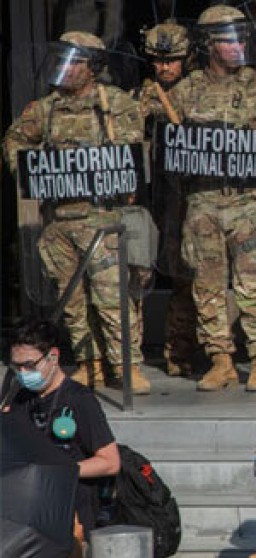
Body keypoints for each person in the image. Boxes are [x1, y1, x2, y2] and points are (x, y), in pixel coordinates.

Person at [3, 32, 149, 393]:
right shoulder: (46, 108)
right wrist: (31, 169)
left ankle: (126, 365)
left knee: (111, 297)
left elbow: (131, 150)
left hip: (101, 217)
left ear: (94, 67)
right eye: (62, 61)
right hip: (59, 219)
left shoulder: (114, 104)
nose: (66, 69)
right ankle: (89, 363)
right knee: (72, 300)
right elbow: (14, 141)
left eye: (75, 62)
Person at [168, 5, 256, 392]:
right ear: (208, 44)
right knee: (207, 284)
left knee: (253, 283)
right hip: (202, 200)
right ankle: (220, 360)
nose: (238, 47)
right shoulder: (185, 91)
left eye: (241, 39)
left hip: (246, 201)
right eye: (227, 40)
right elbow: (164, 142)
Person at [3, 321, 121, 532]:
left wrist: (61, 470)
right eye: (16, 367)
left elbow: (110, 462)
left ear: (53, 357)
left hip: (72, 511)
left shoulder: (79, 399)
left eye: (29, 365)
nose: (23, 373)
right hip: (31, 510)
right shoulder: (20, 398)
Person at [135, 19, 200, 380]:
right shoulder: (143, 96)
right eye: (158, 60)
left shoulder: (202, 89)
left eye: (172, 60)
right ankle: (178, 350)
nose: (164, 67)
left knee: (202, 278)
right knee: (176, 276)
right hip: (164, 196)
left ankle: (206, 351)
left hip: (201, 195)